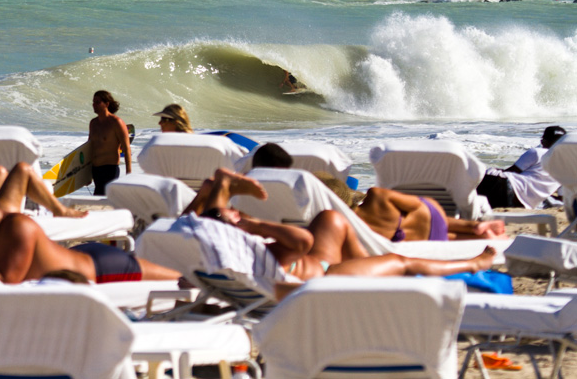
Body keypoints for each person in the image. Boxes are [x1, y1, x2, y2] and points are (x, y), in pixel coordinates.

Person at [185, 168, 496, 300]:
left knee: (332, 218)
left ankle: (370, 270)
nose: (239, 216)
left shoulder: (209, 254)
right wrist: (252, 225)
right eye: (232, 215)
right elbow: (302, 241)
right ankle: (474, 264)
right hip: (320, 277)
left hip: (308, 266)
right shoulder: (248, 248)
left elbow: (195, 226)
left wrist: (204, 202)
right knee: (400, 262)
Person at [0, 168, 181, 284]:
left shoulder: (16, 226)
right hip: (78, 257)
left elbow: (7, 281)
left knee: (181, 282)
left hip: (98, 270)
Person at [315, 173, 507, 241]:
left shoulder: (352, 228)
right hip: (427, 215)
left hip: (425, 239)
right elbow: (415, 203)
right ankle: (474, 227)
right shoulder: (376, 196)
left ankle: (475, 233)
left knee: (444, 235)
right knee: (433, 219)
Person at [476, 126, 566, 209]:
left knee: (483, 173)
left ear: (543, 141)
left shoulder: (537, 152)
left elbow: (512, 172)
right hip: (521, 204)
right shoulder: (569, 167)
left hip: (505, 188)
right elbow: (562, 198)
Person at [87, 90, 132, 195]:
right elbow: (89, 148)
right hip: (96, 170)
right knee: (100, 201)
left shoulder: (116, 122)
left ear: (106, 104)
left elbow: (126, 148)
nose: (94, 105)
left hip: (110, 170)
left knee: (102, 201)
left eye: (97, 102)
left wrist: (129, 172)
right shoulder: (93, 123)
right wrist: (86, 174)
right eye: (93, 102)